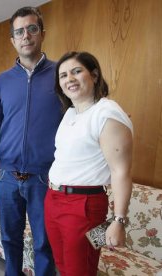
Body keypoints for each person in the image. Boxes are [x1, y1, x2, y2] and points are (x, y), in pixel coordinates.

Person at [45, 51, 133, 276]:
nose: (69, 79)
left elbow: (120, 170)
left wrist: (118, 220)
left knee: (80, 269)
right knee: (63, 265)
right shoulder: (70, 114)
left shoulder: (107, 112)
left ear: (94, 75)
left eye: (76, 71)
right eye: (63, 75)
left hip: (84, 206)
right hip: (54, 200)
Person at [0, 6, 61, 276]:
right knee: (10, 238)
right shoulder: (3, 81)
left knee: (44, 242)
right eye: (19, 31)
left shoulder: (59, 75)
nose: (26, 36)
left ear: (42, 34)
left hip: (44, 177)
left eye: (32, 29)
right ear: (12, 40)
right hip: (7, 176)